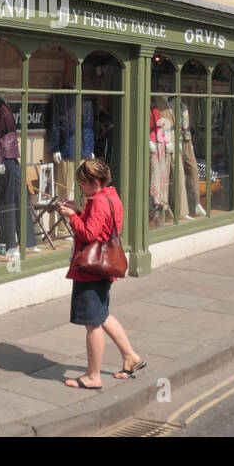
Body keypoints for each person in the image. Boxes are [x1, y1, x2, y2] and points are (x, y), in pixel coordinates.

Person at [56, 157, 143, 389]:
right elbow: (103, 228)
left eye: (83, 183)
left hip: (91, 270)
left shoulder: (98, 202)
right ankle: (130, 356)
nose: (81, 187)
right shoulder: (111, 196)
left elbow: (89, 233)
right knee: (102, 315)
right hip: (105, 266)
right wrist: (78, 211)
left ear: (94, 182)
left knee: (92, 324)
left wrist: (72, 216)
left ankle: (93, 376)